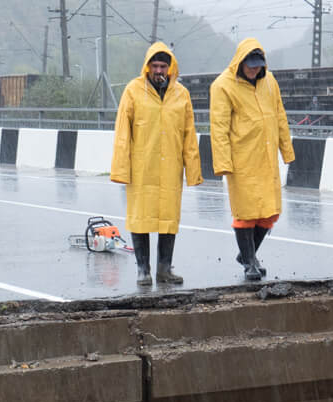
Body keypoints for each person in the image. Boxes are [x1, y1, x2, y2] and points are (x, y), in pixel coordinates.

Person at [111, 41, 202, 287]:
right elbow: (122, 133)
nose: (159, 70)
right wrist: (121, 169)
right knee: (141, 218)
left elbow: (189, 134)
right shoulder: (132, 91)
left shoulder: (182, 94)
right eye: (155, 65)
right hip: (142, 167)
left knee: (168, 219)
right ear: (147, 67)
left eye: (164, 66)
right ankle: (143, 269)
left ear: (171, 68)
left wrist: (193, 170)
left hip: (171, 168)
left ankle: (164, 269)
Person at [210, 38, 294, 282]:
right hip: (242, 160)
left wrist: (286, 150)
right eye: (250, 65)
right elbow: (219, 127)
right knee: (246, 213)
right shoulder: (222, 86)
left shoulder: (270, 81)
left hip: (267, 158)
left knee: (269, 212)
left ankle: (247, 254)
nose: (254, 70)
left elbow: (280, 116)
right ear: (240, 62)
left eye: (258, 65)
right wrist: (223, 163)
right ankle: (249, 263)